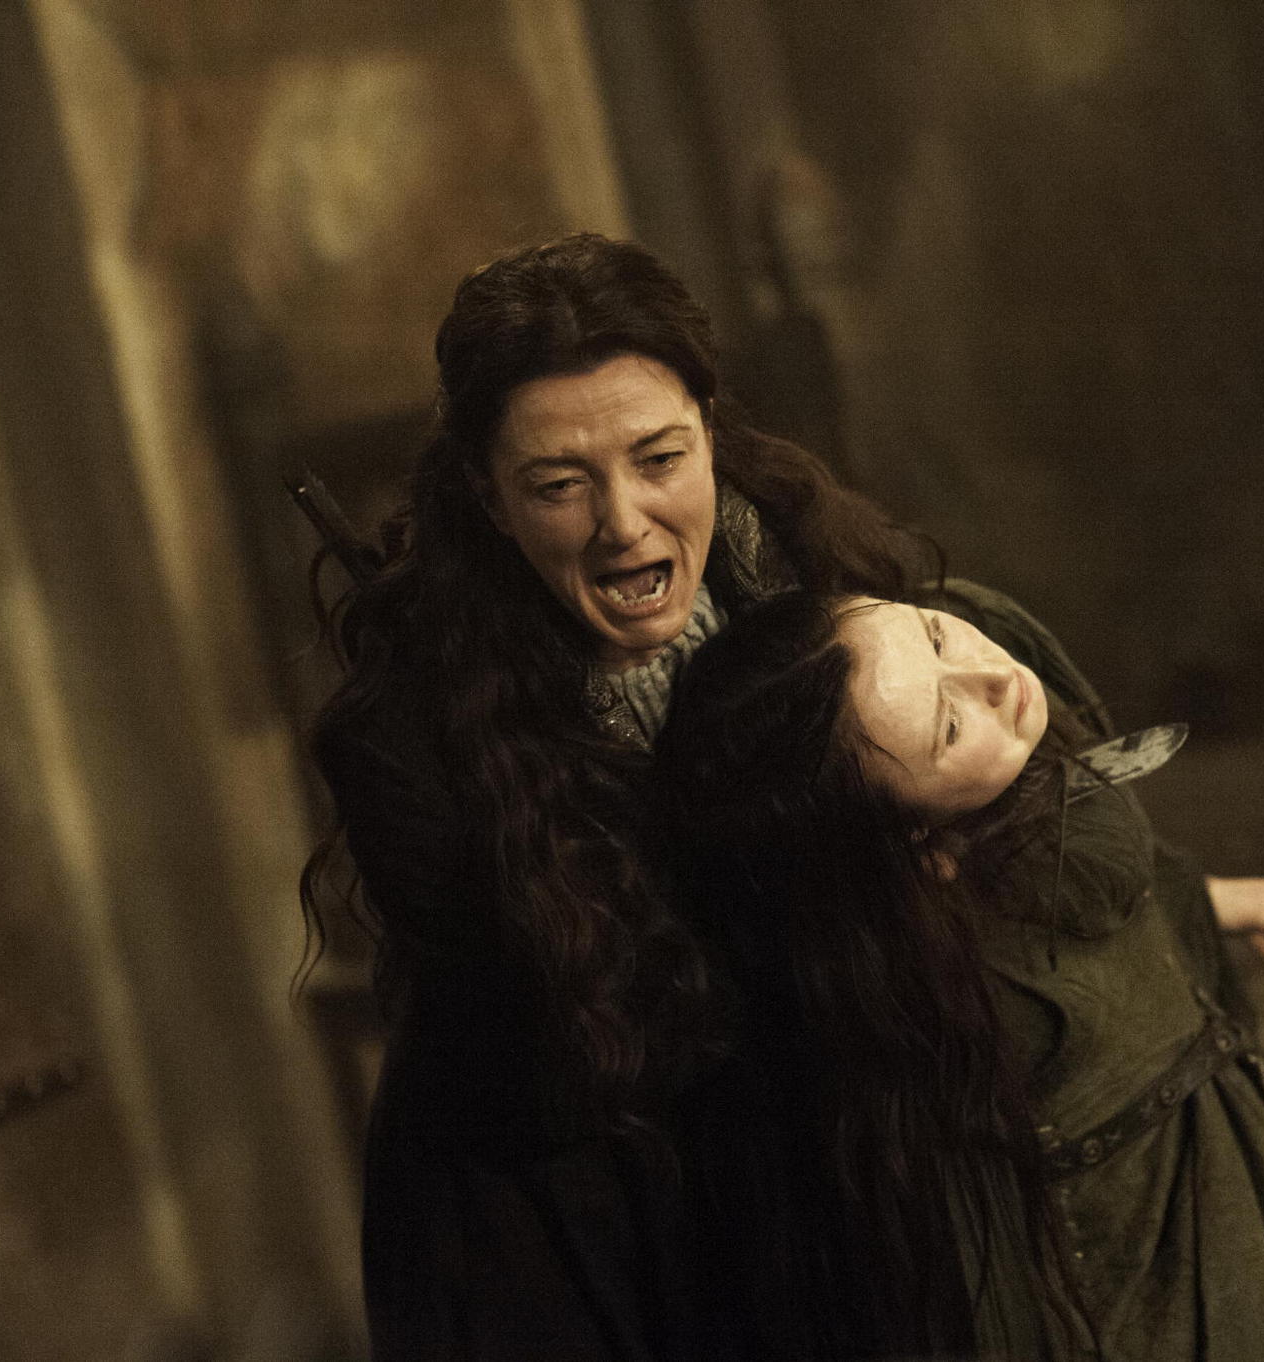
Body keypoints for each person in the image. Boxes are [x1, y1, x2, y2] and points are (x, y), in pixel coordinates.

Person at [301, 234, 932, 1361]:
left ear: (708, 431)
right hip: (565, 1225)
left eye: (659, 458)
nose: (625, 521)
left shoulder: (810, 576)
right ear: (489, 499)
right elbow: (570, 1062)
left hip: (814, 1177)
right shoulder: (408, 741)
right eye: (558, 485)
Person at [653, 588, 1264, 1361]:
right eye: (950, 727)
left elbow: (1109, 921)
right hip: (1142, 1255)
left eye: (936, 637)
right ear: (911, 844)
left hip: (1240, 1165)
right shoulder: (939, 1000)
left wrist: (1206, 900)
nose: (991, 679)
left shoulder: (1001, 796)